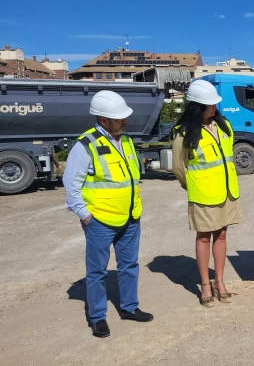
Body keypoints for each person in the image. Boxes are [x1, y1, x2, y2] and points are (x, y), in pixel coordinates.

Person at [63, 90, 153, 338]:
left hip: (130, 217)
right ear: (103, 120)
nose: (126, 120)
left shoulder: (125, 140)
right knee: (97, 272)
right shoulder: (86, 144)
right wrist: (84, 214)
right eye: (119, 118)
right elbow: (71, 183)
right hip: (100, 220)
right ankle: (97, 317)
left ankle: (129, 308)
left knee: (129, 265)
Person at [172, 80, 243, 308]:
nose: (214, 107)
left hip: (226, 192)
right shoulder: (183, 133)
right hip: (203, 195)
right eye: (209, 104)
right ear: (197, 106)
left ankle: (219, 281)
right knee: (203, 237)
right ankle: (205, 284)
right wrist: (193, 186)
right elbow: (179, 168)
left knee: (221, 235)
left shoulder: (224, 126)